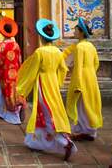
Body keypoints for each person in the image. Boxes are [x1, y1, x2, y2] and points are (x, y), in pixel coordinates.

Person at [17, 18, 77, 161]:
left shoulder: (40, 52)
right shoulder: (57, 52)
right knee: (46, 112)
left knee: (47, 113)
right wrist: (57, 82)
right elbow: (63, 69)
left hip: (43, 84)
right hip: (53, 83)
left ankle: (65, 142)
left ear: (40, 36)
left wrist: (22, 89)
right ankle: (36, 141)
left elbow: (31, 72)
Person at [63, 18, 103, 141]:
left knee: (80, 105)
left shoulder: (79, 47)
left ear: (81, 32)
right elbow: (96, 63)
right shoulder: (91, 46)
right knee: (89, 104)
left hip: (81, 77)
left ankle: (82, 130)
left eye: (75, 30)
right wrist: (90, 72)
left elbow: (78, 65)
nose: (74, 33)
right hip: (91, 77)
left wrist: (78, 83)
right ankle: (91, 130)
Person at [0, 16, 25, 124]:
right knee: (13, 92)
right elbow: (19, 60)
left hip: (3, 74)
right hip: (15, 73)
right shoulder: (16, 45)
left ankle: (5, 113)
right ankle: (15, 110)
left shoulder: (1, 46)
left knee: (0, 93)